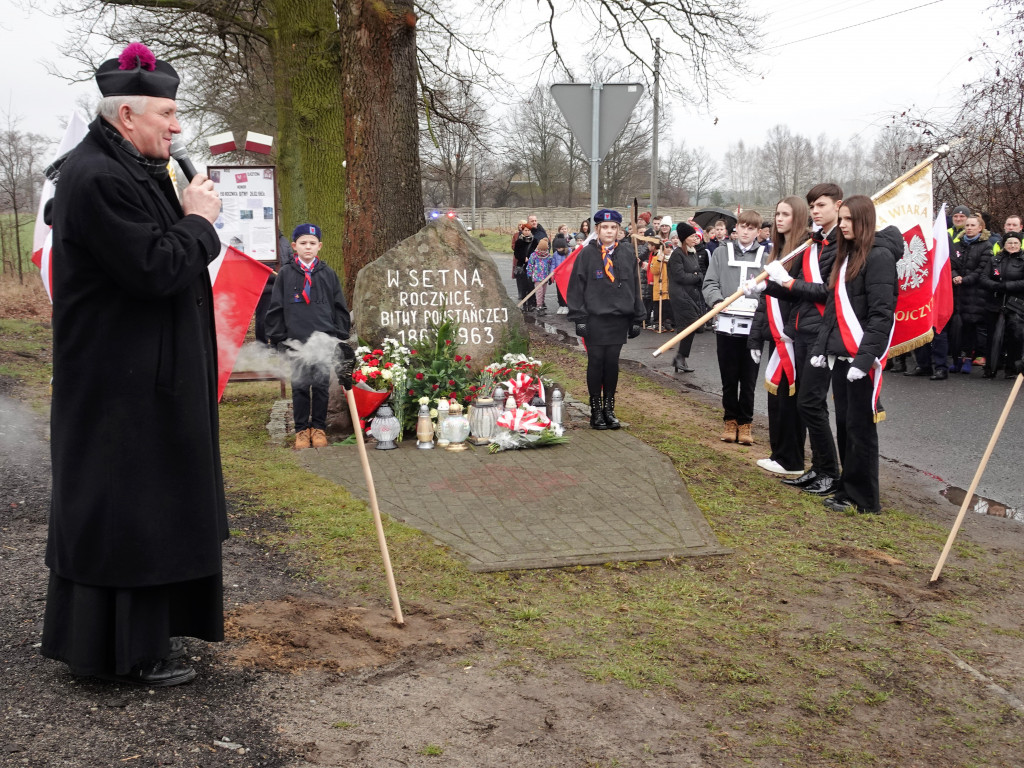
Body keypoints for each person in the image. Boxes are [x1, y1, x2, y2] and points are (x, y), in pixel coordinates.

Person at [43, 43, 227, 687]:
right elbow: (154, 268)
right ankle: (119, 654)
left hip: (144, 382)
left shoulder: (136, 168)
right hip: (118, 389)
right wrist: (202, 224)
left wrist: (186, 204)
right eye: (168, 114)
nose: (178, 128)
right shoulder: (96, 177)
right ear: (126, 115)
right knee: (127, 513)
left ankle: (140, 645)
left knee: (149, 510)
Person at [809, 195, 901, 514]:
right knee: (846, 424)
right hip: (841, 355)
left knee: (861, 429)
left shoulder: (879, 257)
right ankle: (847, 488)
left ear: (864, 221)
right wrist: (821, 348)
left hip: (862, 358)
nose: (843, 225)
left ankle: (864, 498)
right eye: (842, 219)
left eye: (849, 220)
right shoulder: (847, 257)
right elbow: (834, 309)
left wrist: (864, 361)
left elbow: (881, 314)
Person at [266, 223, 351, 449]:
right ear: (294, 246)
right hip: (296, 340)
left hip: (322, 339)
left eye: (312, 243)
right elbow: (276, 308)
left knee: (321, 386)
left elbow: (338, 305)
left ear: (319, 246)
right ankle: (302, 430)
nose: (308, 247)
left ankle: (319, 428)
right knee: (301, 386)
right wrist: (278, 338)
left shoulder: (327, 274)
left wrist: (339, 334)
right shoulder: (285, 274)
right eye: (303, 243)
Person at [745, 196, 812, 476]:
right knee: (776, 397)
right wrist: (755, 337)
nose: (779, 219)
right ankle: (779, 453)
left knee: (791, 399)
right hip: (776, 332)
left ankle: (792, 459)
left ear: (798, 217)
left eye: (786, 214)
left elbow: (803, 292)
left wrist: (776, 284)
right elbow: (767, 302)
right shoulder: (779, 249)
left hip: (794, 335)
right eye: (777, 214)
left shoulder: (805, 248)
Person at [568, 209, 645, 430]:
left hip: (619, 319)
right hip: (595, 319)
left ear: (619, 231)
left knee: (612, 364)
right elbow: (576, 287)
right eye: (605, 227)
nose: (609, 231)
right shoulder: (587, 254)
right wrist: (579, 317)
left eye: (613, 228)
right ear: (597, 230)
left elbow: (634, 286)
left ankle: (609, 409)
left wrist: (637, 317)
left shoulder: (628, 253)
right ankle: (595, 411)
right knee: (596, 362)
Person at [703, 209, 767, 445]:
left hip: (753, 328)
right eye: (743, 226)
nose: (746, 231)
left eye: (752, 228)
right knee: (729, 377)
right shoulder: (721, 253)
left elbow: (771, 290)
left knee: (748, 379)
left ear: (758, 231)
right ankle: (730, 420)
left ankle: (746, 423)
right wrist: (717, 301)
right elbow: (709, 283)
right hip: (726, 325)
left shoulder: (766, 256)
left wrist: (759, 304)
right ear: (736, 228)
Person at [949, 213, 995, 372]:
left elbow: (981, 270)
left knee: (971, 327)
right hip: (959, 292)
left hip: (975, 293)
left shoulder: (986, 246)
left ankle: (968, 358)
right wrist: (954, 276)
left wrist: (964, 279)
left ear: (980, 228)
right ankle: (956, 359)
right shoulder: (958, 244)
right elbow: (951, 263)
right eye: (967, 225)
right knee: (957, 327)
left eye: (972, 225)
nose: (968, 228)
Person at [980, 230, 1024, 378]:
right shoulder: (995, 259)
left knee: (1014, 336)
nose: (1012, 245)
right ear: (1004, 245)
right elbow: (984, 277)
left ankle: (1012, 368)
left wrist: (1008, 286)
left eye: (1015, 243)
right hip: (995, 301)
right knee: (992, 336)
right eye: (1009, 243)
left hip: (1016, 304)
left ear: (1020, 244)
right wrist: (995, 286)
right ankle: (991, 367)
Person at [668, 222, 707, 373]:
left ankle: (680, 358)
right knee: (690, 325)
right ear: (684, 238)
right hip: (680, 295)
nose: (695, 238)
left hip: (691, 294)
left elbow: (699, 272)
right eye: (692, 236)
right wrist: (696, 277)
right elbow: (680, 277)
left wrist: (697, 276)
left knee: (690, 327)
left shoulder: (692, 252)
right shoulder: (677, 254)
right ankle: (680, 357)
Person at [648, 238, 674, 331]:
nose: (669, 249)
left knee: (668, 307)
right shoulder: (656, 258)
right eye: (667, 247)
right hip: (659, 287)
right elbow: (654, 270)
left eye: (670, 247)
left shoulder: (672, 258)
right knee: (659, 307)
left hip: (669, 287)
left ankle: (667, 323)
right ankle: (658, 323)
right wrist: (659, 261)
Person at [512, 219, 536, 311]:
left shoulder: (534, 241)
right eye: (525, 230)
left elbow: (536, 251)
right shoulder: (519, 241)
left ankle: (531, 303)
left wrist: (530, 258)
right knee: (523, 285)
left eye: (528, 230)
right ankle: (524, 303)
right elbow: (516, 254)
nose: (527, 232)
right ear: (522, 231)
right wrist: (523, 257)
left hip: (531, 265)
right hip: (521, 265)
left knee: (530, 285)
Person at [526, 237, 554, 314]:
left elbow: (550, 266)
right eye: (541, 249)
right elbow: (530, 265)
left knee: (544, 291)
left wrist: (550, 276)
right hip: (537, 277)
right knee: (539, 291)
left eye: (544, 250)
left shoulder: (548, 256)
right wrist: (529, 274)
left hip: (545, 277)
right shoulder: (534, 255)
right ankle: (539, 306)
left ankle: (542, 303)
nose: (542, 251)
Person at [551, 231, 571, 314]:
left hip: (566, 277)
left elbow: (571, 264)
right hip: (558, 277)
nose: (558, 249)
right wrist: (552, 273)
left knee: (566, 292)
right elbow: (553, 264)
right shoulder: (555, 254)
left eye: (560, 247)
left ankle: (566, 306)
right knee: (559, 292)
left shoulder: (569, 253)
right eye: (557, 248)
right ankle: (561, 305)